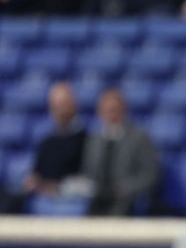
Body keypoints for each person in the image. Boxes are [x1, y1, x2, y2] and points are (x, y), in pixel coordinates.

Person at [80, 88, 159, 216]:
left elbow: (150, 175)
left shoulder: (139, 138)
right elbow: (88, 172)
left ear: (124, 110)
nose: (110, 114)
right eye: (106, 110)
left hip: (125, 199)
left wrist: (126, 187)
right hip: (97, 198)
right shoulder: (94, 140)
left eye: (114, 110)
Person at [23, 83, 86, 198]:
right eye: (55, 106)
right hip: (44, 197)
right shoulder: (46, 142)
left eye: (63, 104)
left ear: (74, 104)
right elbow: (36, 174)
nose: (60, 110)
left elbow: (85, 179)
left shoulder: (86, 140)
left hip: (70, 197)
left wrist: (58, 187)